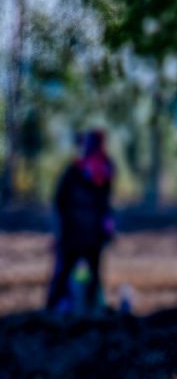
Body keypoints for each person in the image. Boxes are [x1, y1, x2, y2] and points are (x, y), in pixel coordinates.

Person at [46, 130, 116, 313]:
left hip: (86, 235)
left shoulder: (103, 168)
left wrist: (106, 227)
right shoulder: (79, 170)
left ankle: (84, 306)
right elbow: (61, 202)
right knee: (71, 270)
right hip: (77, 234)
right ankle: (61, 306)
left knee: (82, 271)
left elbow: (105, 204)